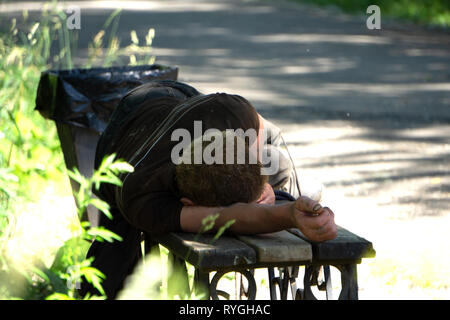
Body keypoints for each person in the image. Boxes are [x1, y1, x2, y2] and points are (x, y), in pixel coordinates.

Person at [80, 80, 337, 299]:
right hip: (132, 116)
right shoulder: (142, 196)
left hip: (181, 100)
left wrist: (266, 186)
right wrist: (288, 214)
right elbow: (229, 218)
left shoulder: (233, 113)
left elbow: (257, 130)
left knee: (277, 161)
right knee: (117, 253)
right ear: (188, 203)